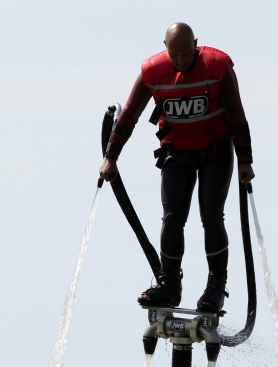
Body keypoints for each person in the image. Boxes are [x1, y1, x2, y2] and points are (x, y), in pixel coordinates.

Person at [99, 22, 254, 312]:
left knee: (211, 215)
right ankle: (169, 285)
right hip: (176, 154)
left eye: (187, 53)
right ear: (165, 47)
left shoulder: (217, 66)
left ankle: (215, 288)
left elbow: (237, 115)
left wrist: (245, 160)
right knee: (172, 219)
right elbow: (130, 114)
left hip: (215, 153)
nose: (181, 61)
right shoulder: (152, 71)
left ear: (196, 44)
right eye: (175, 54)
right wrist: (111, 156)